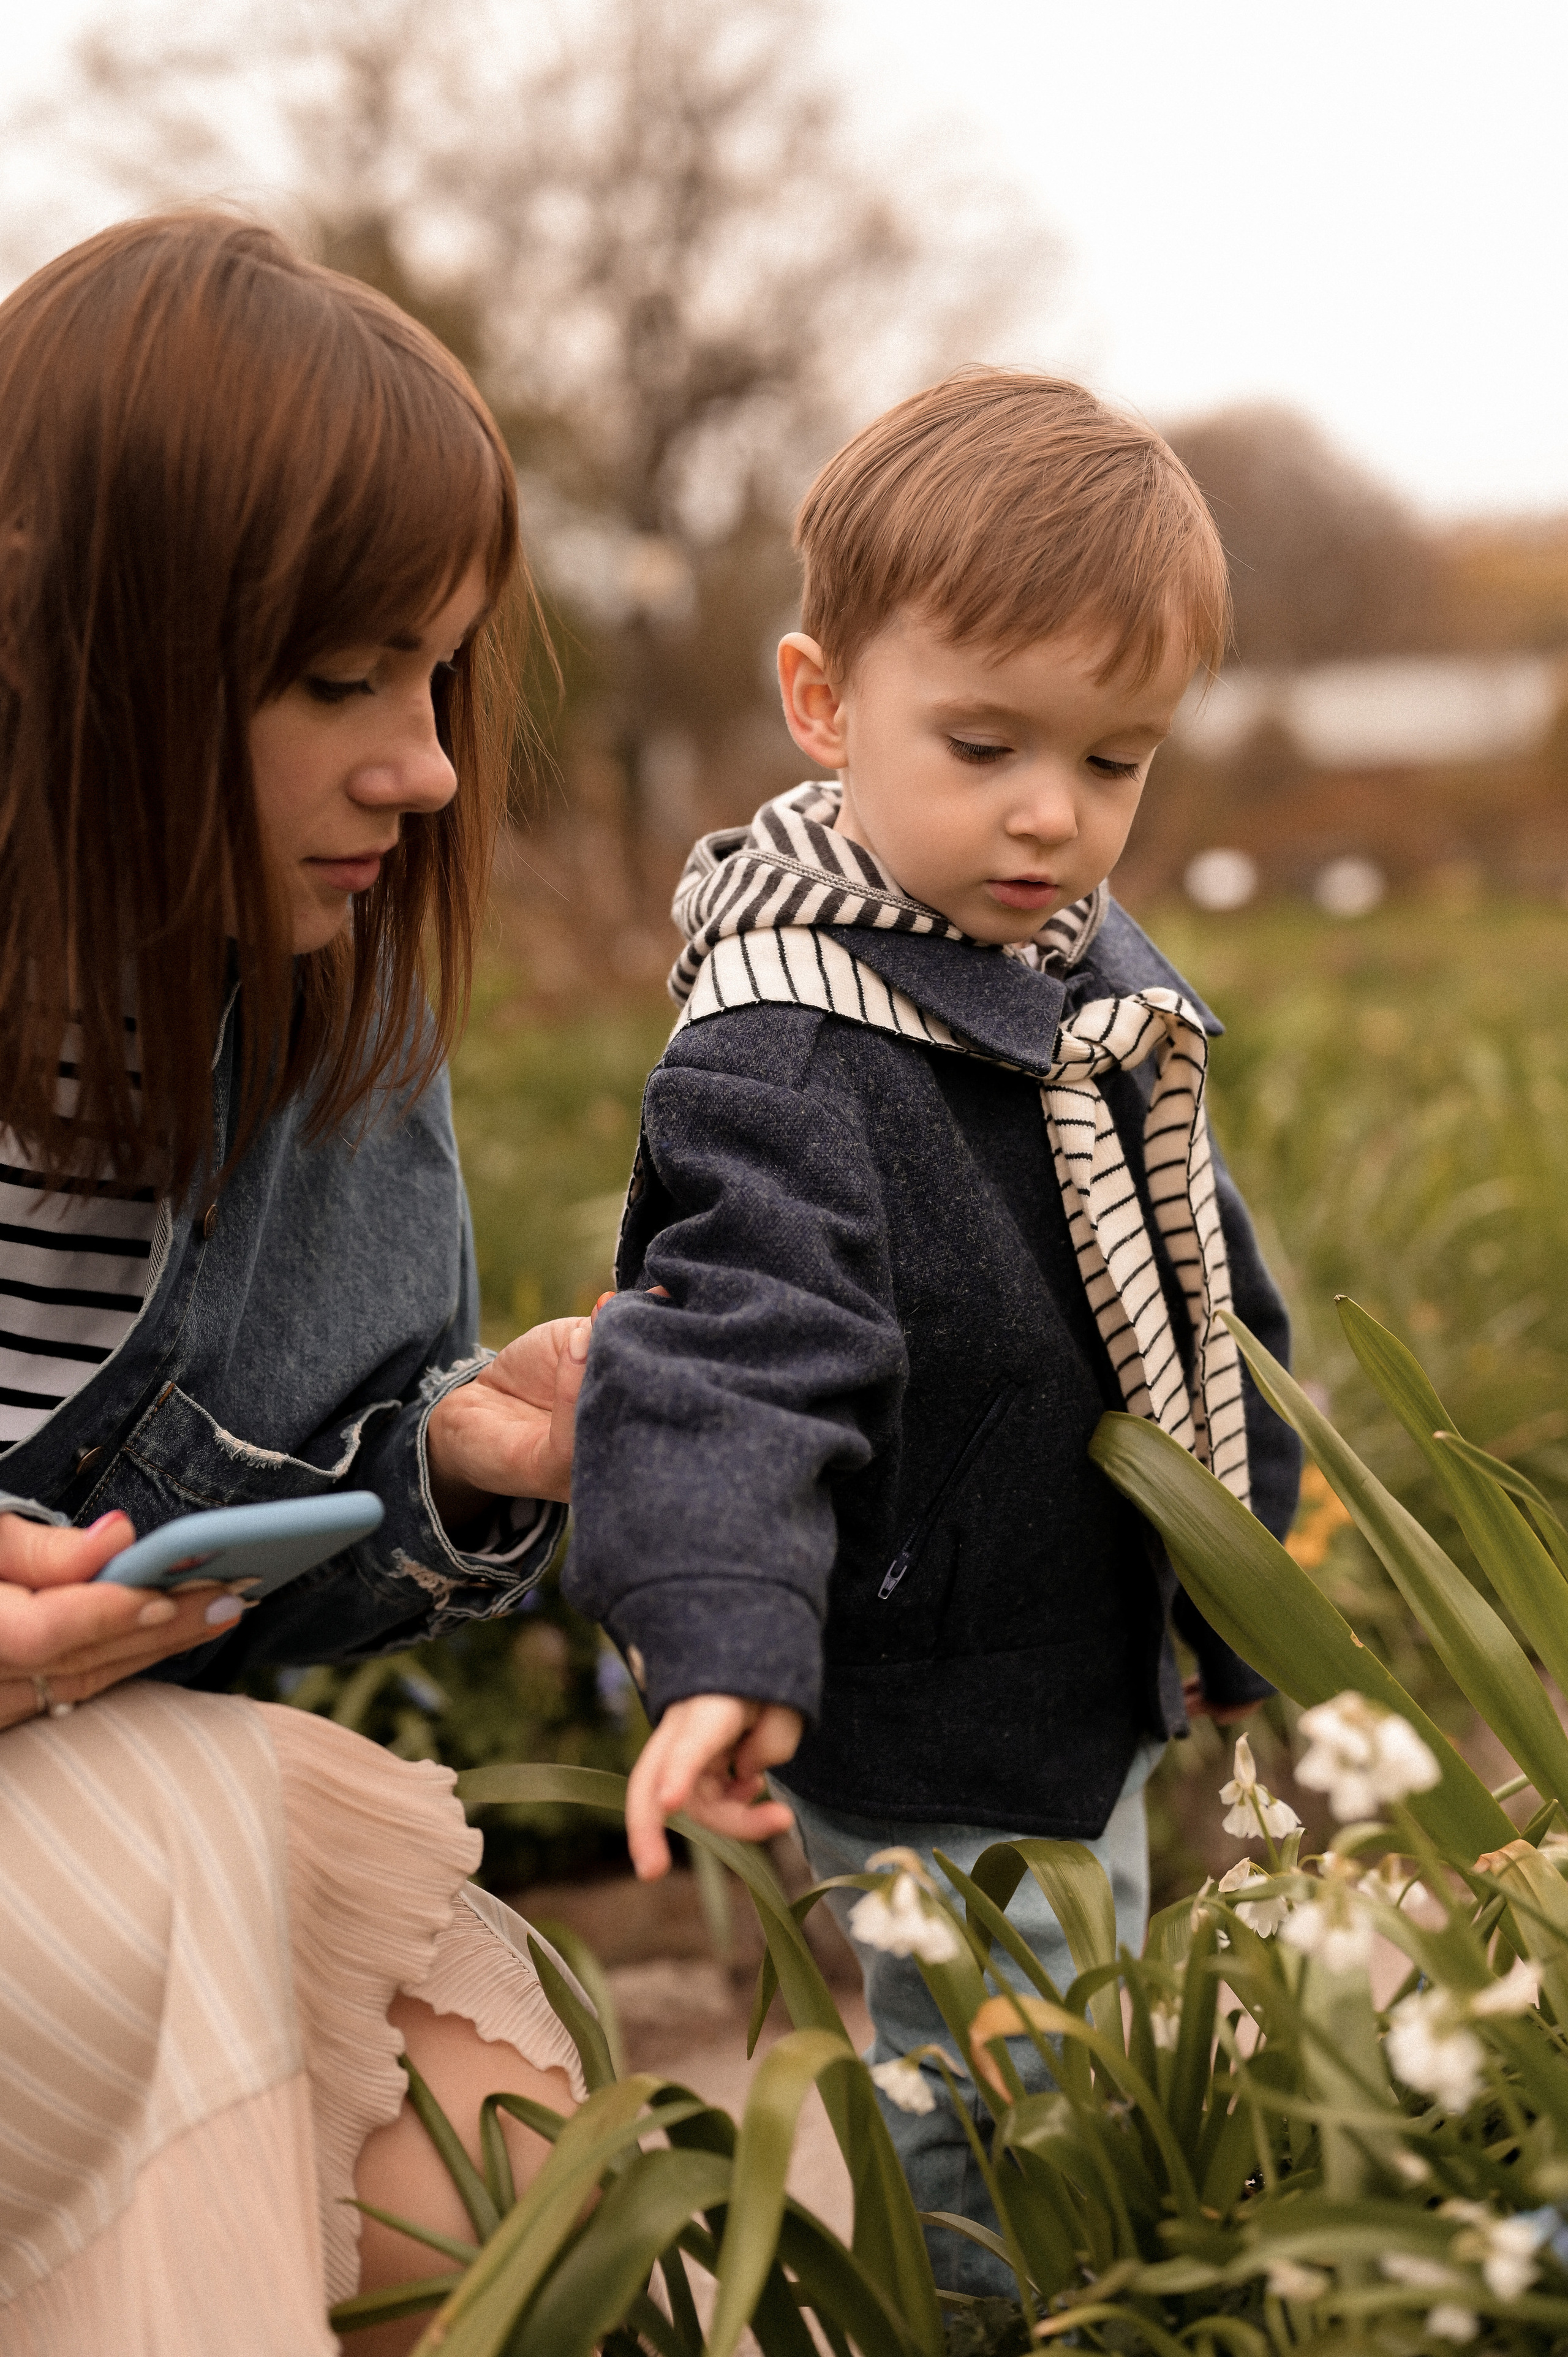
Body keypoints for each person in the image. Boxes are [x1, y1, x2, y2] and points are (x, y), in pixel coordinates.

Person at [564, 370, 1303, 2285]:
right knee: (1001, 2084)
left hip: (1087, 1647)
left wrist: (1246, 1585)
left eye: (1116, 760)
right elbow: (729, 1354)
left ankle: (1092, 2287)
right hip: (935, 1680)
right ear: (824, 704)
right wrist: (724, 1637)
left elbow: (1200, 1285)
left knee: (1099, 2015)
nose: (1053, 813)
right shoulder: (786, 1046)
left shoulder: (1076, 969)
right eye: (983, 744)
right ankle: (1006, 2317)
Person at [0, 213, 596, 2357]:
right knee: (170, 1897)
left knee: (492, 2186)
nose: (425, 765)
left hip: (67, 1794)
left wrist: (459, 1455)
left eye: (438, 675)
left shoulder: (327, 1014)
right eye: (341, 680)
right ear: (56, 644)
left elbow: (271, 1549)